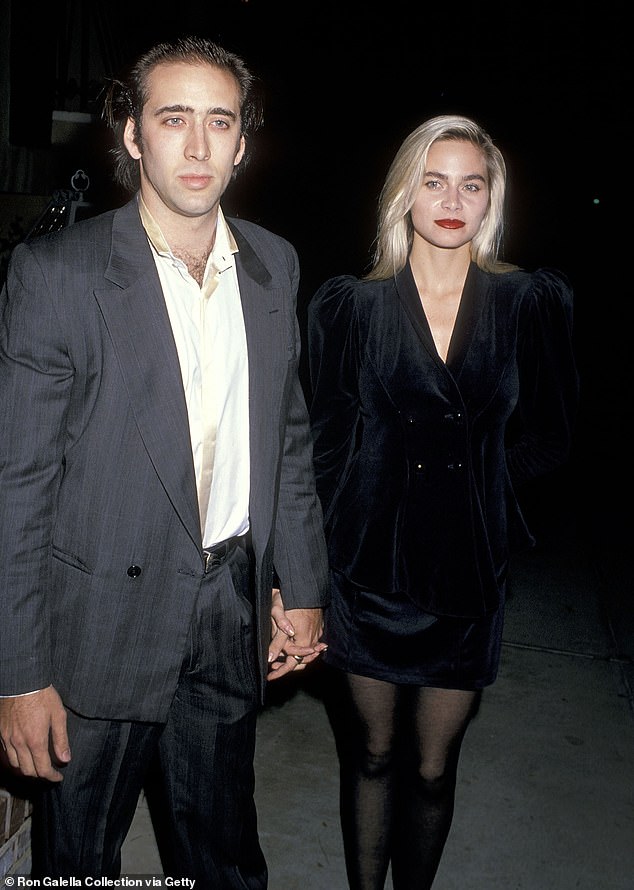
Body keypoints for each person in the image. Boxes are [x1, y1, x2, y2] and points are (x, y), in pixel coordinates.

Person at [0, 35, 329, 886]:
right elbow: (18, 490)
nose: (197, 144)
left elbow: (287, 438)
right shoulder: (57, 276)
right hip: (96, 623)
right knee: (79, 863)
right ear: (134, 136)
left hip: (228, 609)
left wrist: (302, 584)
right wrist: (20, 677)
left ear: (242, 143)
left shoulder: (273, 264)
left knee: (223, 854)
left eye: (219, 121)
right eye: (173, 118)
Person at [307, 114, 579, 890]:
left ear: (492, 197)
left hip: (466, 579)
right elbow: (325, 450)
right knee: (371, 754)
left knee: (431, 766)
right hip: (367, 573)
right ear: (405, 194)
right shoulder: (351, 307)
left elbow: (554, 437)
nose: (453, 201)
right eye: (434, 182)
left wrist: (480, 492)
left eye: (471, 184)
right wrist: (304, 573)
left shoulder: (528, 302)